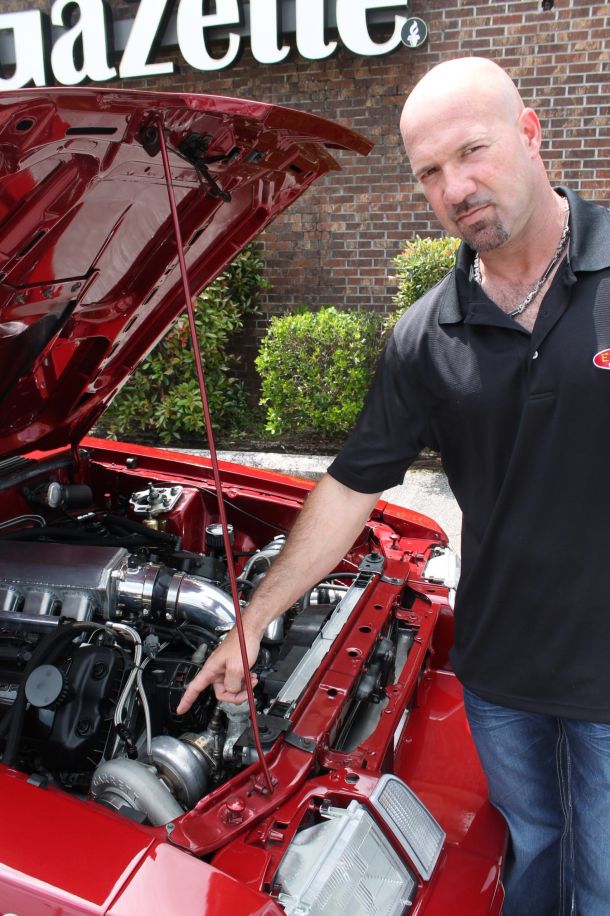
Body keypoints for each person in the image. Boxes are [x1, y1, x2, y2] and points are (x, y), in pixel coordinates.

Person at [177, 57, 610, 915]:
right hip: (500, 677)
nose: (456, 188)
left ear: (529, 133)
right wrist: (253, 622)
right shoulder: (426, 336)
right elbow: (350, 489)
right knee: (531, 855)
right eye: (430, 172)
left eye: (473, 151)